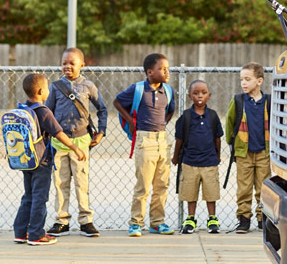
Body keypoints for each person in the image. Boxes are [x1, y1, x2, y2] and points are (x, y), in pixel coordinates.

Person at [12, 73, 87, 246]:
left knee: (28, 195)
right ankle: (36, 234)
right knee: (40, 197)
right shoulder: (43, 111)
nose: (48, 91)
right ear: (40, 91)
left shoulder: (23, 108)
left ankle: (20, 232)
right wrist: (75, 148)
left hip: (26, 160)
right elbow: (59, 133)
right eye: (46, 88)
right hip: (42, 161)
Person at [45, 48, 108, 238]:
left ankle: (86, 221)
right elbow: (47, 113)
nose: (67, 66)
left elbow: (102, 110)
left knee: (82, 182)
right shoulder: (55, 87)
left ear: (82, 65)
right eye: (64, 63)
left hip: (81, 142)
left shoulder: (88, 86)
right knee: (60, 183)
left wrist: (101, 132)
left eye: (72, 63)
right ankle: (61, 221)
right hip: (59, 142)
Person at [113, 53, 176, 237]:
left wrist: (162, 125)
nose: (167, 72)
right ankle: (136, 222)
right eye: (162, 69)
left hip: (162, 140)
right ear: (150, 72)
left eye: (168, 69)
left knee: (161, 185)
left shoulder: (168, 90)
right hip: (144, 140)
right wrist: (131, 123)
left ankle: (157, 223)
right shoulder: (138, 89)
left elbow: (170, 110)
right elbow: (117, 102)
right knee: (143, 185)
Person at [171, 80, 223, 234]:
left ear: (209, 96)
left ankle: (212, 218)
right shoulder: (186, 116)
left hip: (209, 162)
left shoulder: (213, 116)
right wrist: (175, 158)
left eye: (203, 92)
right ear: (189, 96)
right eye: (195, 93)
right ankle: (190, 219)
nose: (200, 96)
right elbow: (179, 139)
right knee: (190, 192)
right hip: (189, 162)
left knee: (211, 192)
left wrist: (217, 156)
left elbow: (218, 139)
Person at [225, 62, 271, 234]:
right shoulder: (238, 101)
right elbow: (229, 125)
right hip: (244, 152)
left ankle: (263, 219)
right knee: (243, 188)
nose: (243, 83)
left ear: (259, 81)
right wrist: (233, 145)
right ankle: (244, 219)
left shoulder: (268, 101)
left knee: (263, 188)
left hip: (263, 152)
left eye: (247, 79)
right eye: (241, 79)